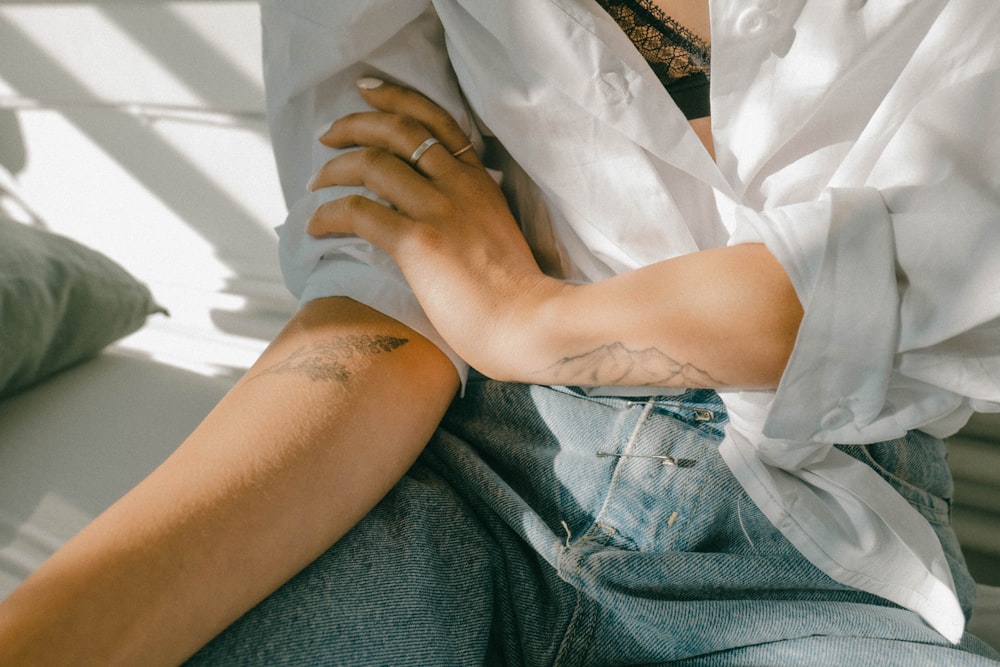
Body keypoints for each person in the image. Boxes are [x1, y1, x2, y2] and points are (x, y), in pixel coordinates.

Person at [1, 0, 999, 664]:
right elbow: (383, 290)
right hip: (463, 471)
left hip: (811, 535)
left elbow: (937, 269)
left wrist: (537, 322)